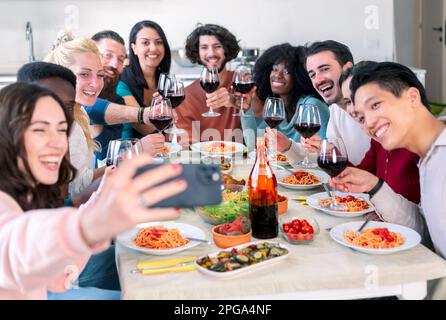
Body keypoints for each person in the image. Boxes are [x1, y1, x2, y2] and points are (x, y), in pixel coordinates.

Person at [0, 82, 187, 299]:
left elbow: (50, 271)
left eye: (61, 130)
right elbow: (16, 246)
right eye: (40, 130)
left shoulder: (28, 192)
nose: (58, 143)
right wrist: (87, 226)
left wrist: (103, 193)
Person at [331, 62, 446, 268]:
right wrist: (375, 186)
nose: (369, 123)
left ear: (412, 97)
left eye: (375, 105)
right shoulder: (428, 159)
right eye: (361, 117)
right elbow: (423, 231)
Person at [273, 40, 371, 166]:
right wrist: (288, 146)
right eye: (312, 75)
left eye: (324, 69)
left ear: (348, 68)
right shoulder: (335, 111)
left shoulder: (370, 114)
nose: (318, 80)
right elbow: (335, 163)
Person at [336, 64, 421, 204]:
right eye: (349, 101)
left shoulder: (430, 149)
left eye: (374, 105)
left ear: (411, 98)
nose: (353, 109)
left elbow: (423, 222)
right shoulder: (379, 139)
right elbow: (362, 176)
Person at [90, 30, 165, 164]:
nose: (114, 65)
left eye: (120, 59)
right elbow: (90, 109)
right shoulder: (73, 95)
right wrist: (143, 114)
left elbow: (108, 161)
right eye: (108, 55)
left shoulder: (116, 99)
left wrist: (136, 151)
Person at [241, 43, 329, 150]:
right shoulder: (276, 108)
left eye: (287, 71)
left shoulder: (312, 106)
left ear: (299, 75)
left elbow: (322, 153)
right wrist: (246, 110)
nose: (278, 75)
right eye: (274, 69)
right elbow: (254, 145)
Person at [175, 24, 244, 143]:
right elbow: (187, 145)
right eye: (204, 47)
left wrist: (235, 102)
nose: (211, 53)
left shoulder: (242, 83)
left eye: (217, 46)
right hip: (204, 160)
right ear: (197, 52)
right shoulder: (186, 97)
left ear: (226, 50)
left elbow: (260, 117)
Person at [117, 20, 172, 139]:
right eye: (145, 43)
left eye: (158, 42)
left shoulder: (164, 80)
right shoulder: (122, 81)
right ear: (134, 48)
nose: (153, 48)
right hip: (130, 152)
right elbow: (144, 128)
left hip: (161, 150)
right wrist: (170, 113)